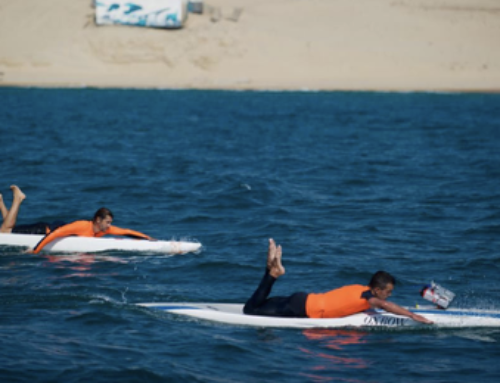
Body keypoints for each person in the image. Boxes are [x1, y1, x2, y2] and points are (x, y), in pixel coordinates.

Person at [243, 238, 433, 324]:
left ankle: (271, 271)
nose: (389, 294)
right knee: (250, 310)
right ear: (376, 290)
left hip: (303, 299)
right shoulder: (370, 298)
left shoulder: (362, 288)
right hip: (302, 309)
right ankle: (272, 273)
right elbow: (386, 305)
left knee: (257, 304)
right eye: (387, 291)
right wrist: (412, 315)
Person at [1, 185, 152, 254]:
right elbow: (55, 234)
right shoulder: (81, 226)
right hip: (42, 231)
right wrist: (36, 250)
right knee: (5, 232)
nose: (110, 226)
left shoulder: (104, 229)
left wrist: (149, 239)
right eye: (107, 222)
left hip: (51, 229)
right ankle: (17, 199)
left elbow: (126, 232)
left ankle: (1, 203)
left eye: (110, 223)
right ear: (98, 220)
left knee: (5, 231)